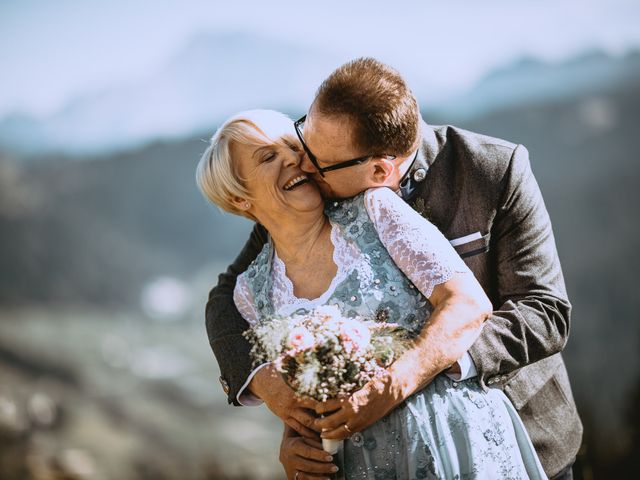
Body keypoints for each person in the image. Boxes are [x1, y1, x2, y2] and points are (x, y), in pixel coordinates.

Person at [203, 58, 582, 479]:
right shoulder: (314, 190)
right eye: (301, 139)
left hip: (519, 432)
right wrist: (291, 410)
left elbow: (545, 312)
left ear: (380, 172)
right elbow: (227, 299)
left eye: (316, 159)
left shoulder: (491, 170)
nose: (303, 165)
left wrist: (412, 374)